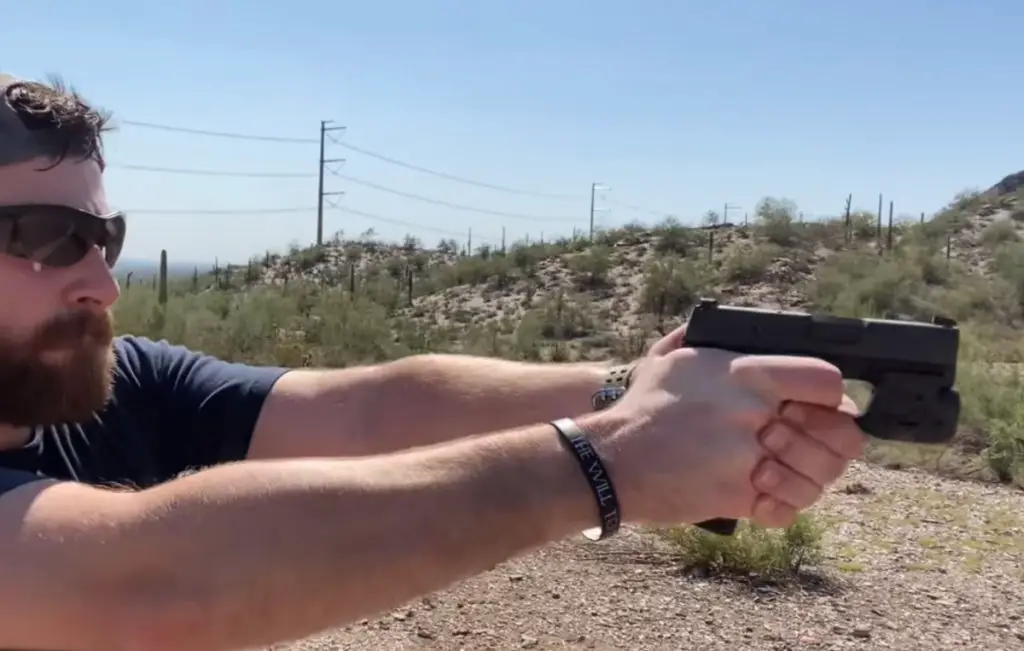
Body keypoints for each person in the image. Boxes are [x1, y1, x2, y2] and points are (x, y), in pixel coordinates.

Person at [0, 73, 866, 651]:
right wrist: (616, 460)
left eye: (106, 237)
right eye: (52, 238)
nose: (103, 284)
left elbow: (371, 410)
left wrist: (639, 394)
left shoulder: (119, 385)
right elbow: (162, 579)